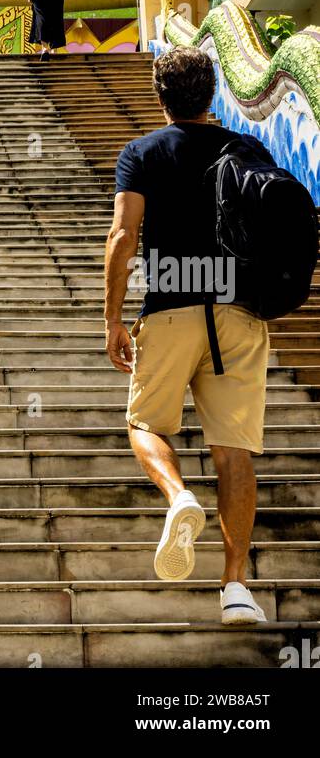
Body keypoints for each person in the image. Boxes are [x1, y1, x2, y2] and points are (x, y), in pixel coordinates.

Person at [104, 46, 273, 626]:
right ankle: (236, 589)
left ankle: (178, 496)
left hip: (170, 305)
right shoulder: (246, 147)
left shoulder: (142, 152)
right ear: (212, 93)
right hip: (239, 311)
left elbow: (123, 239)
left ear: (159, 94)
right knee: (233, 451)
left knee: (145, 423)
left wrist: (111, 320)